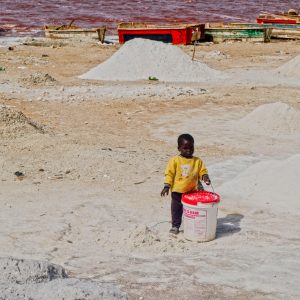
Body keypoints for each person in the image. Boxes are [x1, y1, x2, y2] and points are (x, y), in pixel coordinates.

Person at [161, 133, 211, 234]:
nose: (189, 150)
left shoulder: (197, 161)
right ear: (179, 148)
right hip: (177, 192)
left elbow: (202, 171)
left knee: (192, 211)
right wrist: (167, 185)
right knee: (176, 210)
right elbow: (169, 174)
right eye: (185, 148)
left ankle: (193, 225)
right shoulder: (175, 161)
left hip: (192, 192)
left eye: (191, 147)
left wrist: (205, 177)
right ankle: (175, 226)